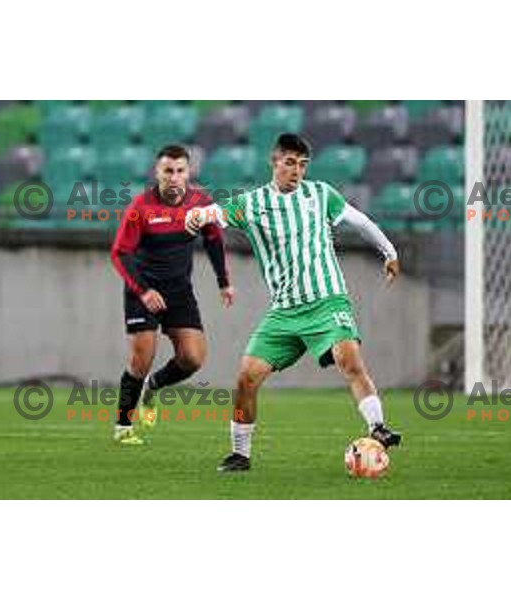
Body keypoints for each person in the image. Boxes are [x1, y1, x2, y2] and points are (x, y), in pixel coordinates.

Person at [185, 133, 401, 471]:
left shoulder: (320, 194)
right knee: (246, 377)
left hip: (328, 300)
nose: (297, 170)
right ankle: (240, 454)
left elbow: (360, 221)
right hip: (284, 312)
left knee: (349, 359)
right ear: (275, 162)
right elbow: (215, 212)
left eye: (302, 164)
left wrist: (389, 251)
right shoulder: (252, 203)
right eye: (289, 163)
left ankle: (377, 428)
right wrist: (196, 216)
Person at [111, 144, 235, 445]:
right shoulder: (141, 207)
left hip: (179, 291)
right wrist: (143, 291)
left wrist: (224, 282)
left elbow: (214, 240)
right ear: (157, 173)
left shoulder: (200, 204)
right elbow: (120, 253)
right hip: (143, 290)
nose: (174, 177)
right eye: (168, 171)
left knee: (192, 358)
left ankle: (153, 388)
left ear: (188, 172)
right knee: (142, 359)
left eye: (180, 171)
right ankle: (123, 426)